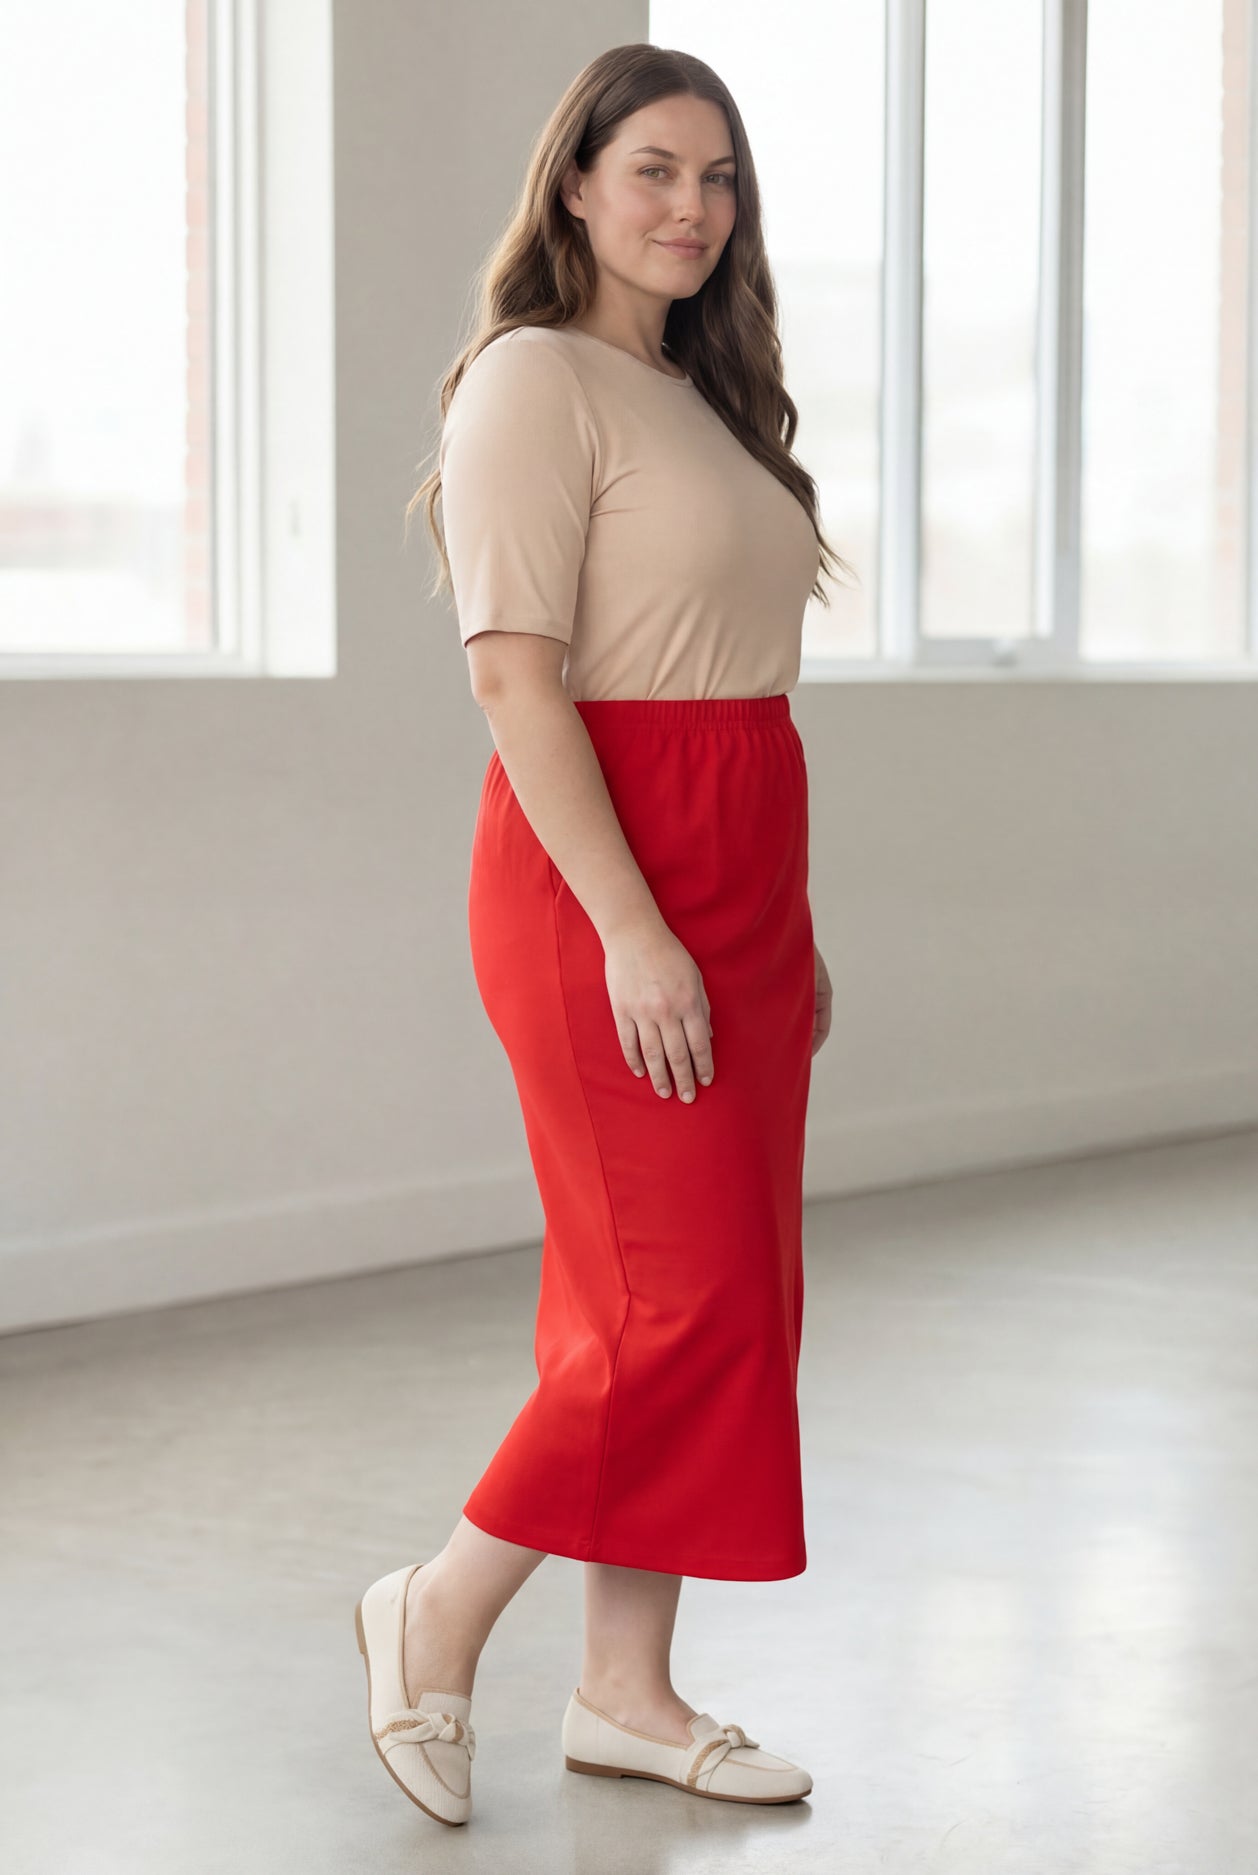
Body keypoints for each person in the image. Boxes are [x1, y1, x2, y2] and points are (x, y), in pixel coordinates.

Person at [355, 42, 852, 1828]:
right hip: (601, 875)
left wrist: (775, 935)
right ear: (572, 180)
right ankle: (436, 1607)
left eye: (717, 178)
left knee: (697, 1300)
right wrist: (635, 932)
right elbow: (515, 677)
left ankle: (625, 1694)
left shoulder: (703, 401)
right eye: (653, 169)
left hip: (736, 867)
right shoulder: (528, 381)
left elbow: (739, 694)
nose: (691, 209)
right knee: (674, 1306)